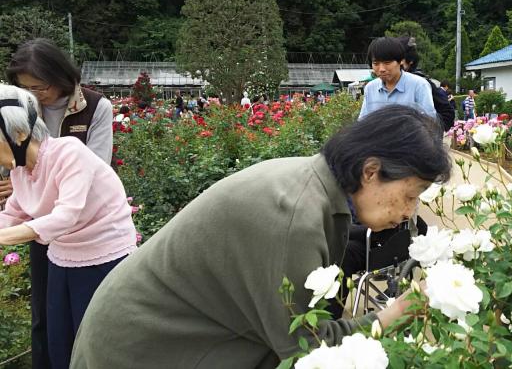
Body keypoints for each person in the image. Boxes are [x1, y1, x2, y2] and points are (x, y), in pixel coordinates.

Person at [71, 105, 450, 368]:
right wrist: (394, 314)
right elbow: (304, 349)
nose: (407, 212)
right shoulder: (293, 216)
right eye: (410, 195)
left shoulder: (314, 184)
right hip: (145, 351)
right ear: (371, 172)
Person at [0, 86, 136, 369]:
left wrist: (5, 236)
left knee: (97, 341)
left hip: (104, 257)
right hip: (63, 256)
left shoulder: (69, 153)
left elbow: (65, 216)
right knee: (59, 340)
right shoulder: (21, 169)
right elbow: (13, 212)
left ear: (19, 135)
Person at [359, 37, 436, 119]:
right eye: (376, 63)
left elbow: (429, 122)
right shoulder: (370, 88)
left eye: (387, 63)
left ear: (401, 60)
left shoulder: (419, 85)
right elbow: (363, 121)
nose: (381, 69)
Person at [395, 36, 455, 131]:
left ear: (410, 61)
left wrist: (429, 135)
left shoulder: (421, 83)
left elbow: (447, 113)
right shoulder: (378, 85)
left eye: (399, 59)